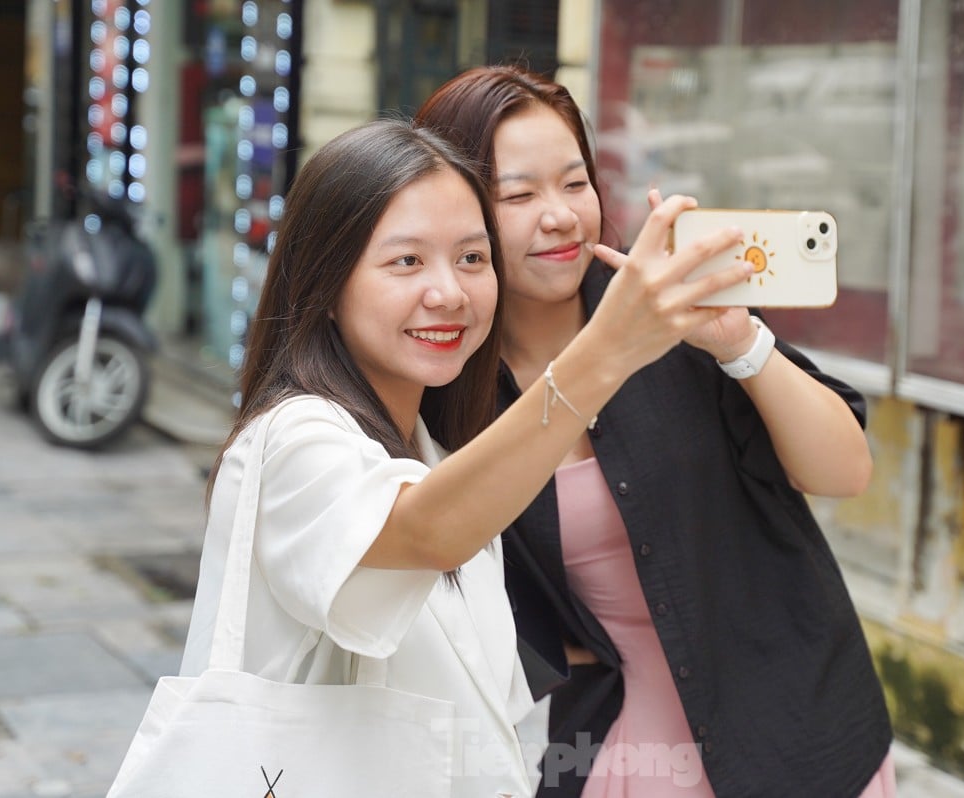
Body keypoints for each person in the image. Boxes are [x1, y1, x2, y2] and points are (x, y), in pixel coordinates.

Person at [177, 119, 750, 798]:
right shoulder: (294, 441)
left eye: (472, 259)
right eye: (407, 262)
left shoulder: (433, 450)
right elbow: (426, 534)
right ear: (326, 283)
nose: (449, 292)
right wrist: (609, 348)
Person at [415, 65, 896, 797]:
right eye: (518, 194)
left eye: (575, 184)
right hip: (610, 751)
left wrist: (740, 345)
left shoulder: (675, 314)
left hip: (791, 731)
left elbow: (844, 472)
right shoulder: (446, 387)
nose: (560, 216)